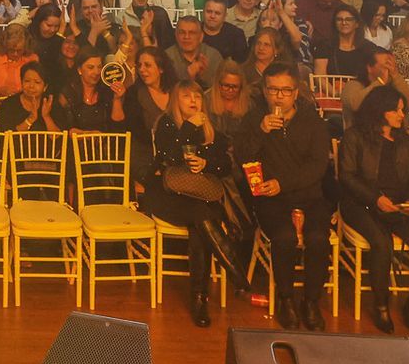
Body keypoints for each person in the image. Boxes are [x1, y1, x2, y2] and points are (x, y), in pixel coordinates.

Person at [237, 65, 334, 331]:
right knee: (284, 238)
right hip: (271, 199)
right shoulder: (254, 118)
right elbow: (242, 157)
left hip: (308, 195)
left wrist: (284, 183)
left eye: (285, 90)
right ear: (265, 90)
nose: (279, 96)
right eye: (273, 90)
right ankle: (286, 299)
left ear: (296, 92)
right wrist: (260, 131)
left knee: (317, 239)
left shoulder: (313, 122)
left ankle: (311, 302)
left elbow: (317, 167)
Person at [337, 84, 409, 333]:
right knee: (382, 244)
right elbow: (347, 177)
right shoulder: (355, 137)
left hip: (398, 205)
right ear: (380, 110)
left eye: (402, 110)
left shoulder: (406, 141)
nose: (402, 115)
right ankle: (381, 305)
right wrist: (375, 198)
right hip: (362, 203)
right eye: (396, 110)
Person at [138, 82, 239, 327]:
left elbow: (225, 165)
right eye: (186, 96)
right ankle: (232, 274)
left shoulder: (209, 127)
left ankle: (199, 298)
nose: (193, 100)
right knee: (203, 218)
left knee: (200, 224)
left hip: (201, 194)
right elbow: (169, 157)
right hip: (168, 195)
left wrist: (206, 164)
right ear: (176, 100)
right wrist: (188, 128)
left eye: (197, 95)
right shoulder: (167, 123)